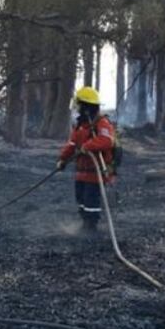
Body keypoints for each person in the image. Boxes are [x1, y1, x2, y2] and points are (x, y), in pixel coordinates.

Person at [56, 86, 116, 232]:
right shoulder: (80, 126)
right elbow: (71, 144)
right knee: (81, 198)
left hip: (95, 173)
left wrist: (88, 146)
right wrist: (63, 159)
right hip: (81, 172)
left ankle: (91, 226)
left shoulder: (102, 123)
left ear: (87, 107)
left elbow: (107, 140)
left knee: (91, 200)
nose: (77, 109)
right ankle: (85, 223)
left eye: (79, 105)